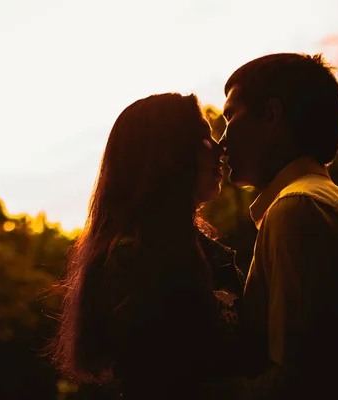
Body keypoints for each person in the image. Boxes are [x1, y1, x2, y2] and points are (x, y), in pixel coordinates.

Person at [218, 53, 338, 399]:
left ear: (272, 115)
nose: (221, 139)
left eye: (230, 116)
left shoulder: (297, 209)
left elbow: (303, 384)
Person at [47, 93, 245, 399]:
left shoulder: (193, 248)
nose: (219, 148)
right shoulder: (134, 260)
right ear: (169, 154)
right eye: (204, 138)